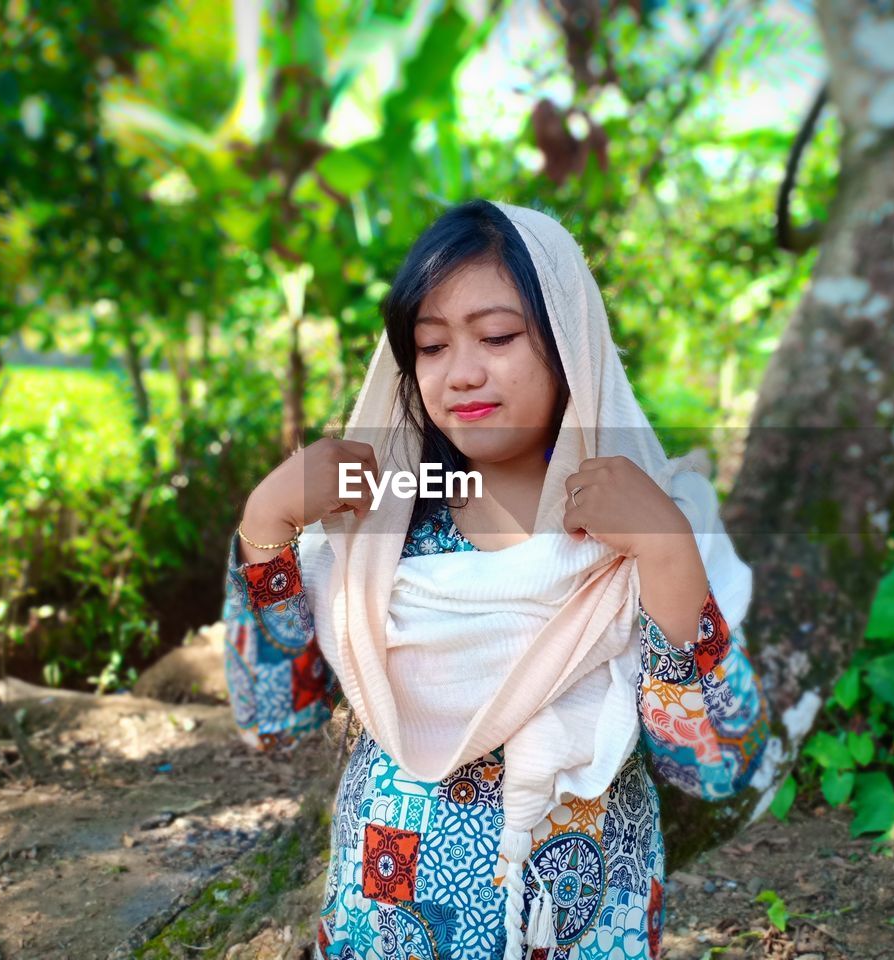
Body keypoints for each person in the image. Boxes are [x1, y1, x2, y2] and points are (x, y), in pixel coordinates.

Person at [222, 199, 770, 960]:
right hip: (380, 925)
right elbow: (274, 715)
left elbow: (716, 765)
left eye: (498, 335)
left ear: (569, 341)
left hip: (581, 932)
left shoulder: (648, 521)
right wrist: (266, 523)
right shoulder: (382, 526)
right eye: (432, 346)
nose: (462, 373)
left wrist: (669, 554)